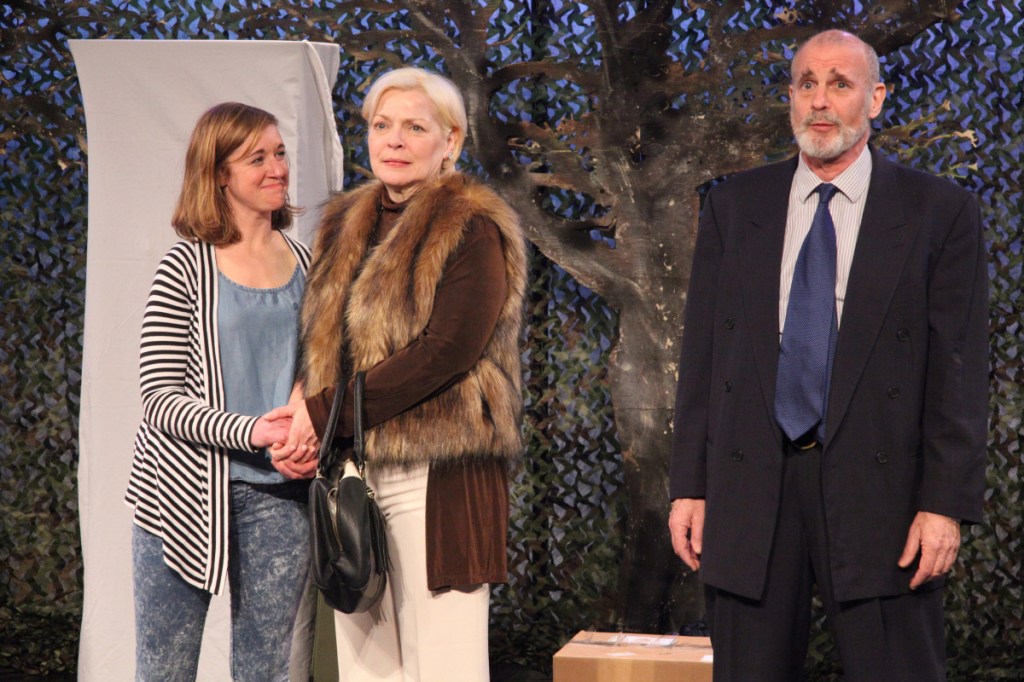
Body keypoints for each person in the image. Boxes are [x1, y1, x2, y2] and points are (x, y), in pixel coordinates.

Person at [667, 30, 988, 682]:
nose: (820, 100)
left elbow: (959, 370)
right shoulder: (734, 206)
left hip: (885, 493)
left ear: (875, 98)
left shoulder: (938, 212)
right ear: (789, 98)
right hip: (751, 482)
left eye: (839, 84)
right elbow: (702, 355)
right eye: (806, 83)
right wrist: (690, 487)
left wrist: (944, 503)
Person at [269, 67, 527, 682]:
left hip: (441, 478)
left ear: (451, 142)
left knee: (444, 666)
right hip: (354, 470)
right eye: (382, 126)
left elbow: (444, 353)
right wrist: (305, 415)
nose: (394, 140)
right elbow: (323, 342)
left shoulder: (473, 226)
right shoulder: (343, 222)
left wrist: (322, 411)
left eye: (415, 127)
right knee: (366, 669)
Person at [124, 102, 316, 681]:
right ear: (219, 175)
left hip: (281, 495)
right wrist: (253, 429)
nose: (276, 168)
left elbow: (321, 364)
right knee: (165, 671)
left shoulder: (309, 263)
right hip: (180, 495)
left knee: (266, 671)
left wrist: (303, 422)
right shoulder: (185, 266)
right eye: (256, 158)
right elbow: (159, 396)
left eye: (279, 153)